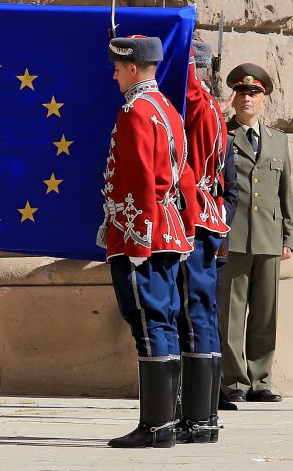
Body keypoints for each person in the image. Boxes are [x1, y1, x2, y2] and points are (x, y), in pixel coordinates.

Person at [97, 35, 197, 448]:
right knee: (162, 322)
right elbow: (184, 174)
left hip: (144, 233)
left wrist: (137, 242)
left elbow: (139, 180)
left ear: (134, 68)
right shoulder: (168, 108)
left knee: (148, 323)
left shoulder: (136, 111)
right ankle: (165, 422)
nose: (116, 74)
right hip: (168, 228)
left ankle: (156, 427)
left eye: (119, 68)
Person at [219, 64, 293, 403]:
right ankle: (235, 382)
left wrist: (287, 237)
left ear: (265, 99)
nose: (247, 98)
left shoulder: (279, 141)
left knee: (265, 312)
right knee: (232, 312)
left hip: (268, 234)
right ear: (233, 98)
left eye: (254, 93)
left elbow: (283, 189)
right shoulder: (221, 134)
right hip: (232, 235)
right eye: (242, 92)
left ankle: (260, 380)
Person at [174, 42, 230, 443]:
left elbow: (190, 92)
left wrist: (182, 47)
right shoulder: (210, 106)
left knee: (194, 314)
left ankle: (200, 418)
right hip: (204, 215)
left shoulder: (201, 103)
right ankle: (201, 415)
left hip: (195, 218)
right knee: (199, 315)